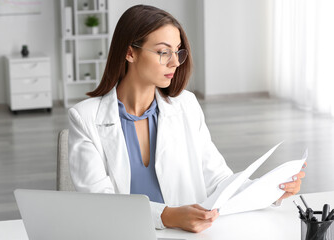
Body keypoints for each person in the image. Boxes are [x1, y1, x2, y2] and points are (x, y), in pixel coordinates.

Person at [68, 4, 306, 233]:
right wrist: (166, 216)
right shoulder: (85, 117)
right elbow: (98, 202)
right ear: (130, 52)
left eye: (177, 51)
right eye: (163, 52)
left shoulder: (187, 106)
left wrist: (270, 190)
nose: (174, 62)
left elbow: (217, 179)